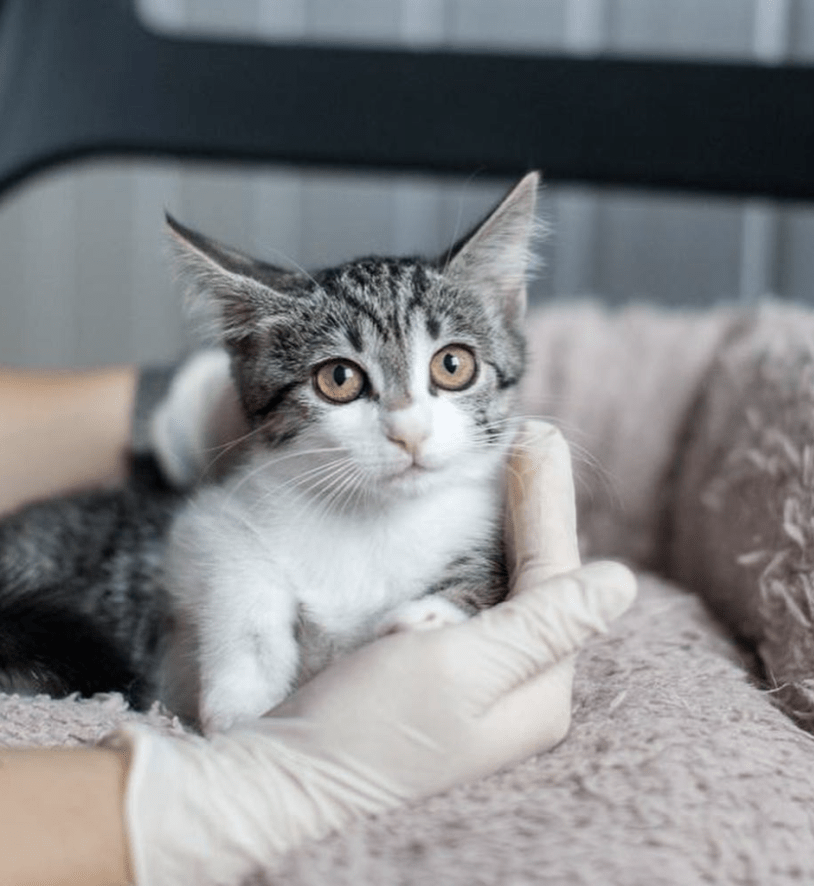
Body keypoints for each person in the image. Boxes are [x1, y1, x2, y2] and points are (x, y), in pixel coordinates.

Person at [0, 366, 636, 886]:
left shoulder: (472, 514)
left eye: (450, 367)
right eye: (339, 381)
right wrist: (252, 793)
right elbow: (215, 536)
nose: (409, 425)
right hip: (91, 572)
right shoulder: (265, 502)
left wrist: (178, 407)